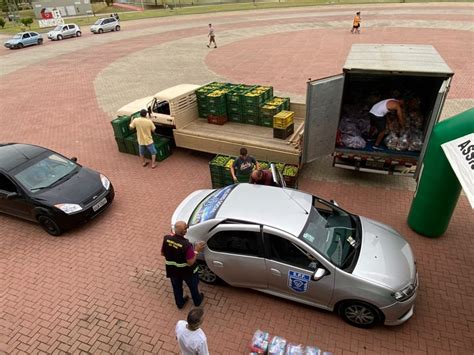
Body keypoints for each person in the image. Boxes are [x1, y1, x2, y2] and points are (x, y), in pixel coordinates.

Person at [162, 221, 206, 309]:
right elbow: (191, 262)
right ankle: (197, 301)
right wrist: (197, 250)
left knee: (176, 287)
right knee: (193, 286)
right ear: (185, 231)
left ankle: (180, 303)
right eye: (187, 227)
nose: (187, 228)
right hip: (187, 272)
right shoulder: (187, 245)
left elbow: (163, 253)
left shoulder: (166, 238)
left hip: (173, 270)